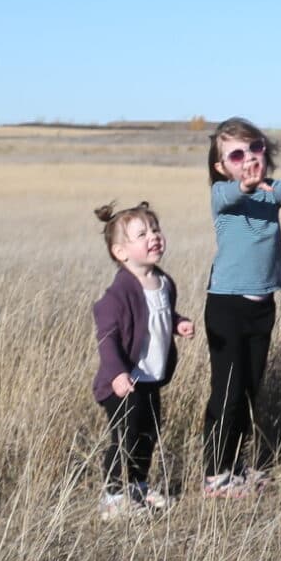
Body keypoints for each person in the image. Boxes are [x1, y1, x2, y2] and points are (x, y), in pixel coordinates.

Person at [199, 119, 281, 497]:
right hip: (227, 306)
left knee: (250, 388)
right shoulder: (223, 193)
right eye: (237, 154)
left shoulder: (268, 192)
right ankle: (215, 474)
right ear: (222, 166)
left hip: (262, 306)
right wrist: (245, 185)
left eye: (255, 148)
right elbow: (232, 195)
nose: (249, 158)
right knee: (228, 391)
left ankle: (236, 466)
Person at [90, 200, 196, 519]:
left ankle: (137, 486)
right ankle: (113, 497)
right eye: (142, 233)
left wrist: (177, 322)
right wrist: (117, 375)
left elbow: (156, 316)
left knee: (148, 435)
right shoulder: (118, 293)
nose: (154, 236)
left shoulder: (163, 282)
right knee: (125, 437)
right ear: (121, 252)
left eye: (156, 229)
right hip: (124, 383)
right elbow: (107, 339)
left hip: (150, 378)